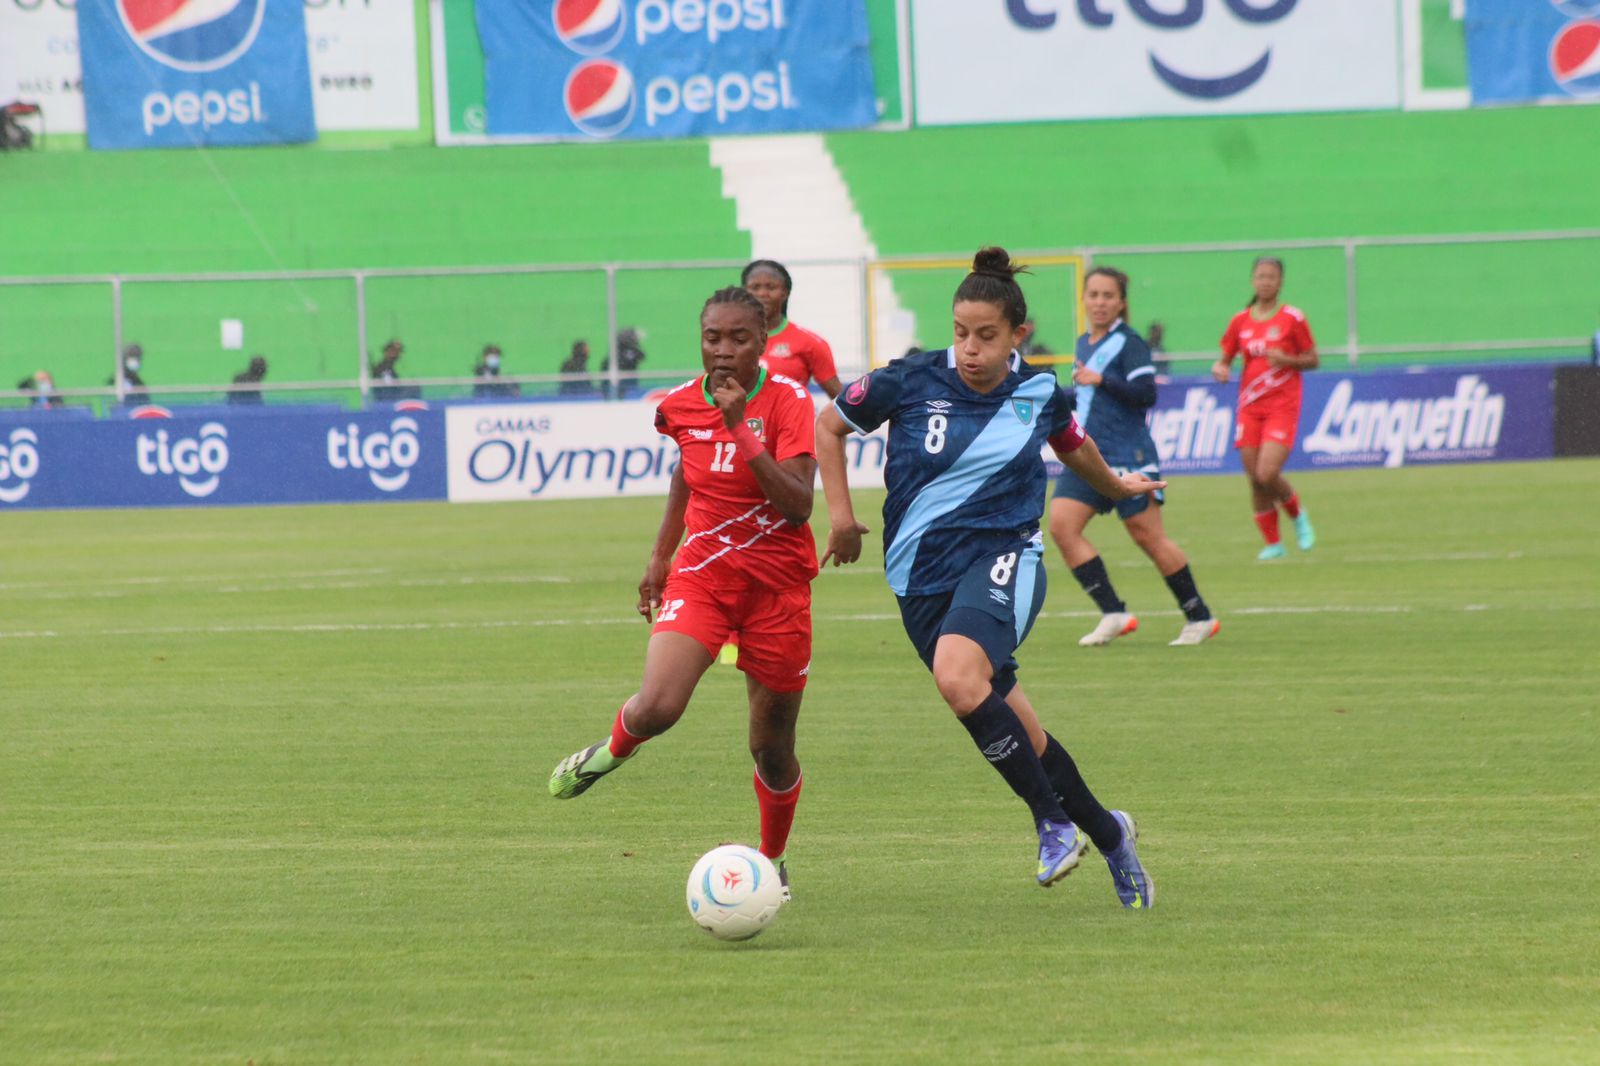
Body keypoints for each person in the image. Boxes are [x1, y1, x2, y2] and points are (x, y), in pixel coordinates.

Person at [816, 247, 1157, 907]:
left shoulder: (1037, 391)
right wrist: (838, 517)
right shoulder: (908, 380)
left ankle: (1051, 825)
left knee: (956, 677)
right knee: (1020, 730)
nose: (970, 349)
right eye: (961, 333)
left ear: (1018, 336)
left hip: (1006, 555)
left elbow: (1074, 447)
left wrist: (1115, 486)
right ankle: (1110, 833)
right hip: (918, 576)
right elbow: (830, 426)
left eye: (987, 336)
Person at [548, 287, 820, 901]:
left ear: (762, 343)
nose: (723, 351)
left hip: (777, 591)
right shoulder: (678, 405)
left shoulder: (787, 402)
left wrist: (739, 430)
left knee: (771, 749)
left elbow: (799, 505)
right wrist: (660, 554)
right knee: (658, 708)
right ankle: (609, 752)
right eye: (712, 338)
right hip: (704, 578)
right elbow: (685, 472)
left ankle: (771, 858)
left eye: (739, 339)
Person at [1049, 268, 1219, 647]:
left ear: (1121, 302)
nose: (1099, 302)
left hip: (1129, 452)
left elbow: (1146, 393)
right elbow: (1089, 397)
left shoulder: (1130, 343)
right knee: (1062, 526)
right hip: (1089, 455)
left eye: (1108, 295)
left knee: (1148, 537)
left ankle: (1199, 616)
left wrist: (1101, 380)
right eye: (1093, 294)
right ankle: (1113, 612)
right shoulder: (1084, 343)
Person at [1212, 256, 1318, 560]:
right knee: (1255, 479)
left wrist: (1288, 360)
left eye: (1271, 277)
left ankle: (1298, 517)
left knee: (1267, 472)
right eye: (1260, 276)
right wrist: (1220, 369)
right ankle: (1273, 544)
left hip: (1282, 406)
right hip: (1249, 407)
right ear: (1252, 281)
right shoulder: (1240, 320)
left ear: (1280, 282)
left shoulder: (1292, 318)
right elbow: (1225, 358)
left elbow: (1313, 359)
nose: (1266, 281)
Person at [741, 259, 842, 398]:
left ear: (785, 293)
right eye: (755, 287)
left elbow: (841, 401)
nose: (763, 294)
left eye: (770, 287)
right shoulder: (729, 340)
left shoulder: (809, 342)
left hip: (791, 419)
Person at [370, 339, 408, 403]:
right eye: (394, 351)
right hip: (385, 405)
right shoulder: (383, 368)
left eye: (398, 352)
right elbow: (388, 389)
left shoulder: (390, 367)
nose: (397, 354)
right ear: (387, 352)